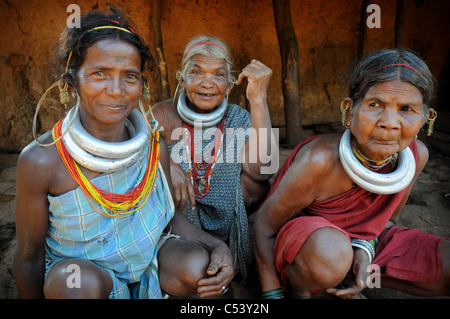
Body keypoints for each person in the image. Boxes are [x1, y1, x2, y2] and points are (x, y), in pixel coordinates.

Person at [13, 10, 233, 299]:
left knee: (199, 268)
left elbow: (167, 216)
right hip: (86, 273)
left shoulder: (154, 145)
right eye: (99, 73)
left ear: (142, 85)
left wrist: (217, 246)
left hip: (148, 261)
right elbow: (29, 255)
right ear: (71, 80)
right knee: (75, 285)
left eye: (129, 76)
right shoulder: (41, 160)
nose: (116, 91)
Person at [253, 48, 450, 299]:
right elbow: (264, 228)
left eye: (406, 109)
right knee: (330, 255)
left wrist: (364, 249)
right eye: (375, 104)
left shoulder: (416, 155)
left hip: (364, 246)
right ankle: (303, 287)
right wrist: (273, 296)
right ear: (350, 109)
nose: (389, 122)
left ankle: (347, 278)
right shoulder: (320, 159)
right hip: (310, 249)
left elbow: (386, 223)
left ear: (426, 118)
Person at [152, 35, 276, 295]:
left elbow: (263, 169)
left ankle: (226, 253)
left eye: (218, 75)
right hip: (178, 216)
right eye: (196, 72)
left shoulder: (237, 116)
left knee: (256, 185)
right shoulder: (163, 114)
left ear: (230, 84)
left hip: (224, 214)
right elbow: (137, 158)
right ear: (181, 79)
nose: (207, 83)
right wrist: (165, 163)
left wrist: (258, 99)